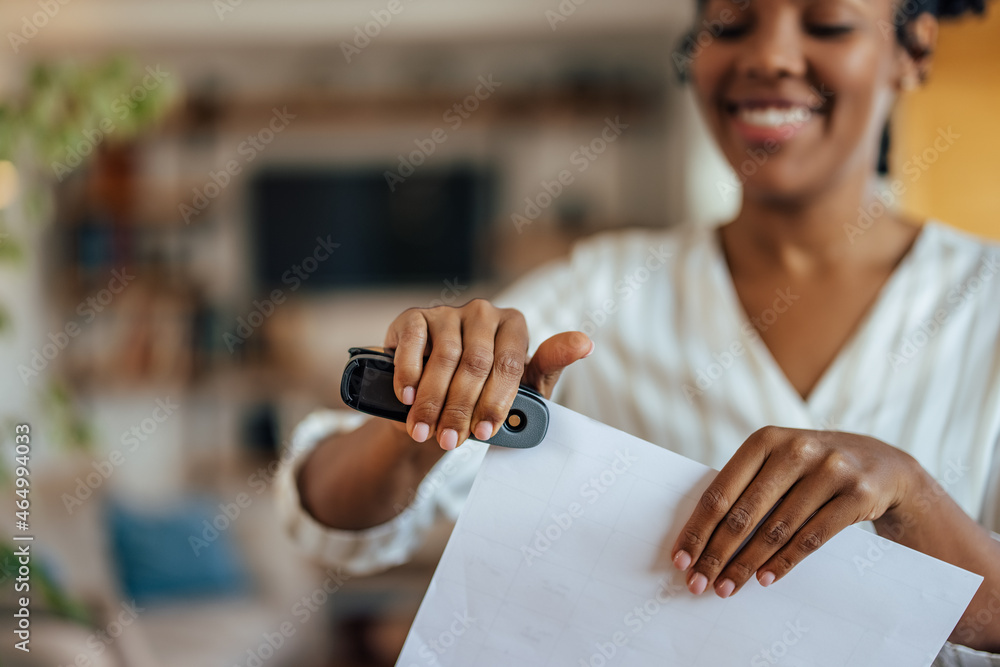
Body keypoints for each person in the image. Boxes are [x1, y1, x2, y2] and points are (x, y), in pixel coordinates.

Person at [276, 0, 1000, 662]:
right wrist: (425, 405)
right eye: (732, 23)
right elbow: (329, 516)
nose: (770, 57)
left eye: (828, 23)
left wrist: (919, 505)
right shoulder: (597, 292)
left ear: (915, 50)